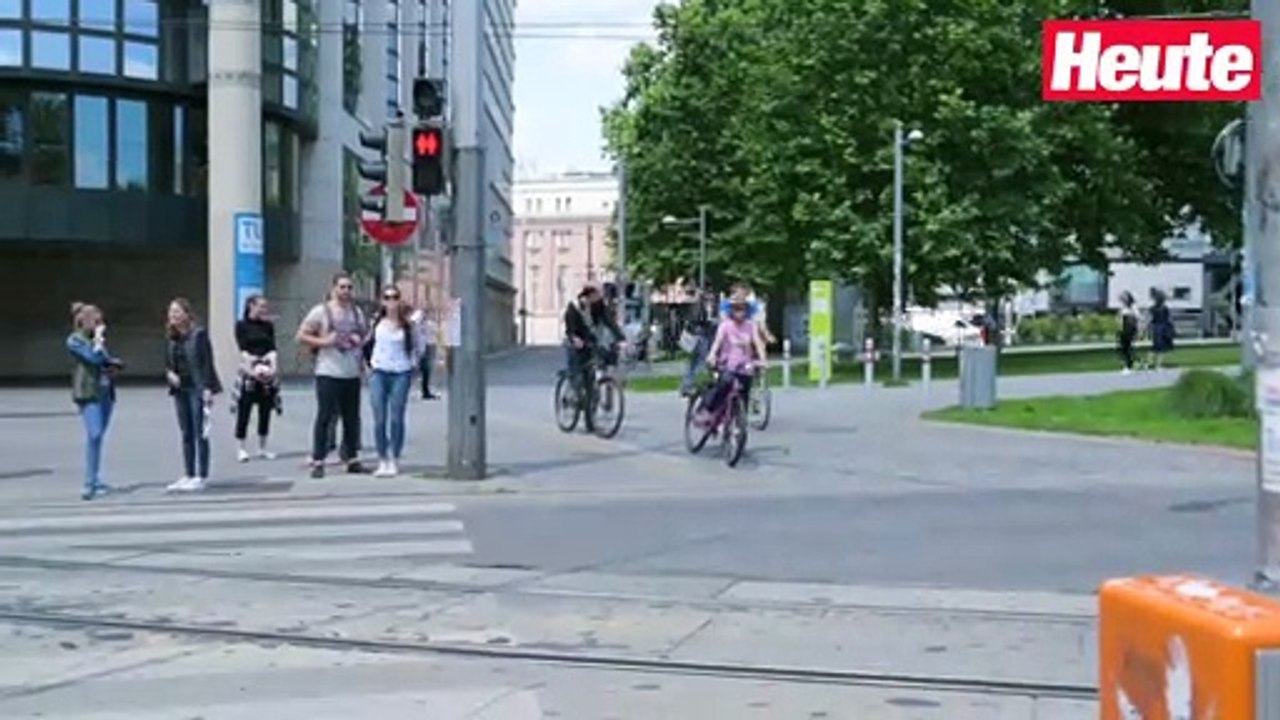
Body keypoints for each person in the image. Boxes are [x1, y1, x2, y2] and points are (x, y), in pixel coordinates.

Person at [297, 272, 370, 478]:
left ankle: (352, 458)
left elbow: (364, 335)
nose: (346, 291)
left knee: (351, 417)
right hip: (328, 371)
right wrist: (324, 342)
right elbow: (301, 335)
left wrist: (360, 345)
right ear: (333, 289)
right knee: (325, 416)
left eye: (349, 287)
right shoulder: (321, 311)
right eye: (342, 287)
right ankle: (318, 460)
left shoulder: (356, 312)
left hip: (351, 372)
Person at [164, 298, 222, 492]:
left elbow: (206, 363)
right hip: (180, 389)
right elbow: (168, 363)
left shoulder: (199, 334)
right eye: (171, 312)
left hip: (197, 388)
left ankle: (201, 475)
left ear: (187, 314)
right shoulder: (172, 336)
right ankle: (188, 473)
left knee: (200, 432)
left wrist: (208, 388)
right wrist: (170, 374)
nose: (173, 315)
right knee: (186, 432)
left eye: (177, 311)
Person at [67, 302, 123, 501]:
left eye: (100, 322)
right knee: (95, 433)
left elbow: (103, 360)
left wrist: (114, 364)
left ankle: (96, 479)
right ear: (85, 321)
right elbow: (93, 358)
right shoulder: (75, 340)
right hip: (88, 393)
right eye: (96, 321)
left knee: (98, 438)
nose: (100, 325)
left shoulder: (96, 340)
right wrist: (98, 340)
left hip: (105, 392)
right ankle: (89, 483)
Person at [364, 286, 421, 477]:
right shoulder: (376, 322)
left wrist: (413, 366)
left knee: (396, 418)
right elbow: (366, 344)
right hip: (379, 372)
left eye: (395, 297)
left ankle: (395, 457)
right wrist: (367, 366)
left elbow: (417, 346)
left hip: (401, 373)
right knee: (379, 418)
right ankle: (382, 459)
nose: (391, 301)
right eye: (387, 297)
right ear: (382, 301)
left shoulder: (408, 325)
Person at [695, 298, 768, 425]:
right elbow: (717, 343)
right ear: (732, 311)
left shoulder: (751, 326)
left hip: (745, 365)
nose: (739, 313)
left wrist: (763, 360)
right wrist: (712, 355)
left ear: (747, 311)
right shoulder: (725, 326)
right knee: (725, 384)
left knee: (744, 391)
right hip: (727, 364)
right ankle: (708, 410)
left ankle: (740, 421)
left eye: (742, 310)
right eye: (736, 310)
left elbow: (758, 343)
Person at [234, 294, 280, 462]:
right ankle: (241, 448)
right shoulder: (241, 325)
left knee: (265, 409)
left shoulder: (268, 326)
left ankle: (262, 447)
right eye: (261, 306)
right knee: (244, 409)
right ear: (251, 306)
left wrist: (273, 367)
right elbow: (243, 349)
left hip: (266, 367)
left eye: (265, 307)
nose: (264, 310)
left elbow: (272, 348)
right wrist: (251, 369)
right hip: (250, 368)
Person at [563, 283, 625, 395]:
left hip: (590, 340)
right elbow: (570, 327)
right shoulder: (574, 307)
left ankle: (592, 394)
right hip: (576, 340)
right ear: (590, 295)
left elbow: (609, 321)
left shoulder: (598, 305)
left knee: (595, 364)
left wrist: (621, 338)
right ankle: (574, 394)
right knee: (577, 370)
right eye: (597, 294)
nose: (599, 297)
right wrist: (574, 338)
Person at [679, 290, 718, 397]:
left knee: (695, 363)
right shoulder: (698, 307)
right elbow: (699, 321)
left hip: (702, 336)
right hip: (699, 338)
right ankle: (688, 386)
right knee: (703, 361)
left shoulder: (704, 307)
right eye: (708, 297)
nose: (710, 299)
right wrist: (711, 323)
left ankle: (686, 386)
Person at [412, 303, 441, 400]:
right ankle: (422, 390)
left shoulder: (430, 321)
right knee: (423, 368)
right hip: (423, 346)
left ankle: (425, 390)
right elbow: (414, 324)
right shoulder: (418, 318)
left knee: (426, 369)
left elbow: (436, 333)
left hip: (429, 345)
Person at [1146, 287, 1175, 370]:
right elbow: (1169, 319)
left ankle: (1150, 363)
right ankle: (1158, 365)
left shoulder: (1152, 308)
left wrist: (1146, 328)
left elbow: (1149, 319)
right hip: (1163, 328)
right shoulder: (1165, 308)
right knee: (1160, 348)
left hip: (1156, 328)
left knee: (1155, 346)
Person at [1117, 290, 1139, 374]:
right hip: (1123, 329)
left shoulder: (1133, 307)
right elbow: (1120, 319)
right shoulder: (1122, 307)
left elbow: (1137, 318)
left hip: (1129, 329)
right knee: (1123, 348)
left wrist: (1137, 329)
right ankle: (1130, 364)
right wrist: (1120, 327)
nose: (1123, 299)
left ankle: (1129, 366)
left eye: (1125, 297)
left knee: (1128, 347)